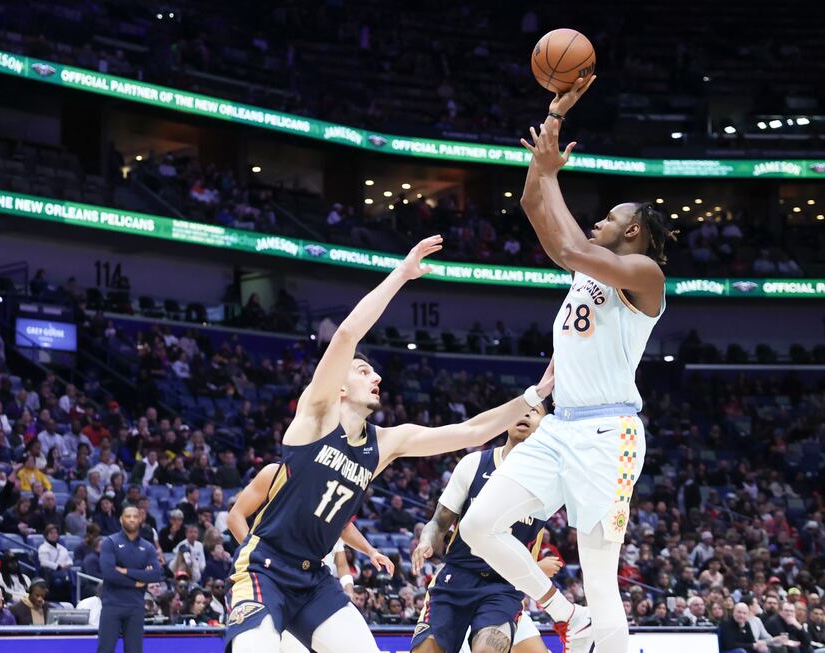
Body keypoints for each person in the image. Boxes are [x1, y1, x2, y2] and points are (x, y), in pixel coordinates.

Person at [223, 236, 554, 653]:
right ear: (340, 385)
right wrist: (402, 273)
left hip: (314, 581)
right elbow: (347, 334)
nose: (375, 377)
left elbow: (472, 431)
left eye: (375, 373)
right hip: (265, 568)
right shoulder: (317, 414)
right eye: (363, 371)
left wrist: (532, 395)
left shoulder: (386, 442)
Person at [460, 76, 674, 653]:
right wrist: (551, 122)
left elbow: (570, 247)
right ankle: (563, 614)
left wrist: (552, 170)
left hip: (610, 433)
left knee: (602, 579)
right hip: (559, 428)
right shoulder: (589, 267)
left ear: (632, 231)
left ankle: (596, 629)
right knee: (479, 526)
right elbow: (534, 203)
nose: (598, 220)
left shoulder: (645, 276)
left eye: (609, 216)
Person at [409, 403, 558, 653]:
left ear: (547, 425)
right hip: (457, 575)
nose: (525, 413)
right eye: (521, 408)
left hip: (503, 585)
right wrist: (426, 540)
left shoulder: (552, 481)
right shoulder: (475, 463)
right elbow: (438, 522)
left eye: (535, 412)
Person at [98, 506, 163, 653]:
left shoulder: (147, 547)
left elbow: (156, 574)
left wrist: (126, 571)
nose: (132, 519)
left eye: (135, 516)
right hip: (112, 605)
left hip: (136, 607)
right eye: (128, 516)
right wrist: (137, 581)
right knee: (105, 649)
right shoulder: (110, 542)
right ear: (121, 519)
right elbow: (109, 574)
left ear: (140, 519)